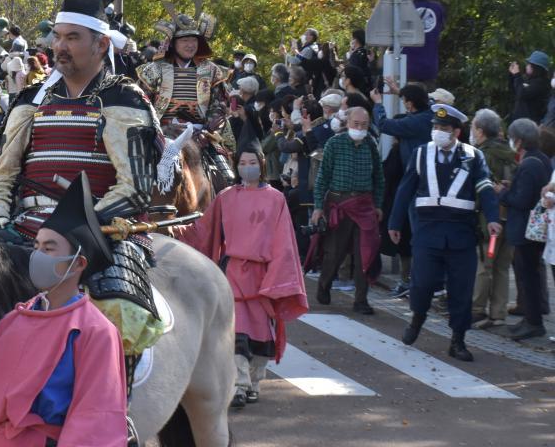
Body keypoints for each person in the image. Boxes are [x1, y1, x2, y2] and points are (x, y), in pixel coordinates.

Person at [0, 0, 164, 367]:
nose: (59, 47)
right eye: (57, 37)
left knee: (122, 314)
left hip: (98, 235)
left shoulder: (124, 98)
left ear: (101, 44)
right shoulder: (32, 98)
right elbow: (3, 175)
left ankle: (117, 414)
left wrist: (79, 227)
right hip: (22, 229)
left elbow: (135, 188)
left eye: (72, 38)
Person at [0, 174, 128, 447]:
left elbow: (96, 418)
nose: (37, 255)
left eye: (49, 248)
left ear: (78, 263)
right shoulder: (12, 321)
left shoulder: (96, 331)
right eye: (36, 247)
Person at [174, 145, 308, 409]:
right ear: (236, 167)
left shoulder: (276, 198)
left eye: (252, 161)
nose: (248, 166)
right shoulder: (225, 196)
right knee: (238, 332)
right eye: (243, 162)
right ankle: (239, 384)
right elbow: (203, 230)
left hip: (263, 274)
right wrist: (173, 229)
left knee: (261, 335)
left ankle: (254, 382)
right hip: (233, 271)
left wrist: (278, 277)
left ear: (261, 164)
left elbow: (284, 243)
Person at [389, 104, 501, 361]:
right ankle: (417, 320)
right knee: (422, 284)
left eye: (444, 128)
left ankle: (458, 340)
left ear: (456, 132)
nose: (438, 132)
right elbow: (405, 190)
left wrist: (493, 218)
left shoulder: (474, 156)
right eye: (436, 127)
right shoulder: (420, 154)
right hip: (428, 232)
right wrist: (395, 223)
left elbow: (485, 187)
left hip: (461, 233)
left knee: (462, 290)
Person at [311, 107, 384, 315]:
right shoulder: (334, 143)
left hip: (364, 205)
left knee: (365, 254)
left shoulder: (371, 144)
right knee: (334, 253)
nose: (360, 128)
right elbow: (322, 177)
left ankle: (361, 300)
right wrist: (318, 207)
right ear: (347, 123)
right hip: (338, 204)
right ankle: (324, 285)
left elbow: (379, 178)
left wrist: (377, 204)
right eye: (356, 124)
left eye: (364, 125)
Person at [136, 8, 228, 139]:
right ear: (173, 43)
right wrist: (157, 129)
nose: (190, 45)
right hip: (161, 134)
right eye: (185, 40)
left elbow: (218, 104)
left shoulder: (211, 70)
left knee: (222, 158)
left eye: (194, 40)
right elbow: (142, 104)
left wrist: (208, 127)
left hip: (201, 134)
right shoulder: (154, 70)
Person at [500, 118, 551, 340]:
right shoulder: (541, 159)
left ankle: (533, 322)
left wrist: (502, 193)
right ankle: (530, 318)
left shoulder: (529, 163)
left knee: (526, 274)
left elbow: (521, 200)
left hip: (525, 229)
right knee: (529, 273)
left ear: (519, 141)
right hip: (535, 227)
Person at [469, 108, 518, 328]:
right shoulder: (511, 154)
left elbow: (480, 190)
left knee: (484, 264)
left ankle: (477, 309)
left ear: (480, 131)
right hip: (511, 218)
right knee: (502, 266)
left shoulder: (481, 155)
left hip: (489, 221)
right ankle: (498, 313)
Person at [400, 0, 446, 89]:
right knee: (427, 102)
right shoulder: (437, 8)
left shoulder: (404, 9)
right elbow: (439, 30)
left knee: (410, 103)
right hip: (430, 67)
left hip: (408, 67)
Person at [509, 51, 551, 123]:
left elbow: (522, 94)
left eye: (529, 64)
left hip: (529, 125)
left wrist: (517, 75)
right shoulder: (530, 79)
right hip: (520, 122)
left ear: (536, 67)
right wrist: (512, 75)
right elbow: (515, 90)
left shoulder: (540, 83)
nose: (527, 66)